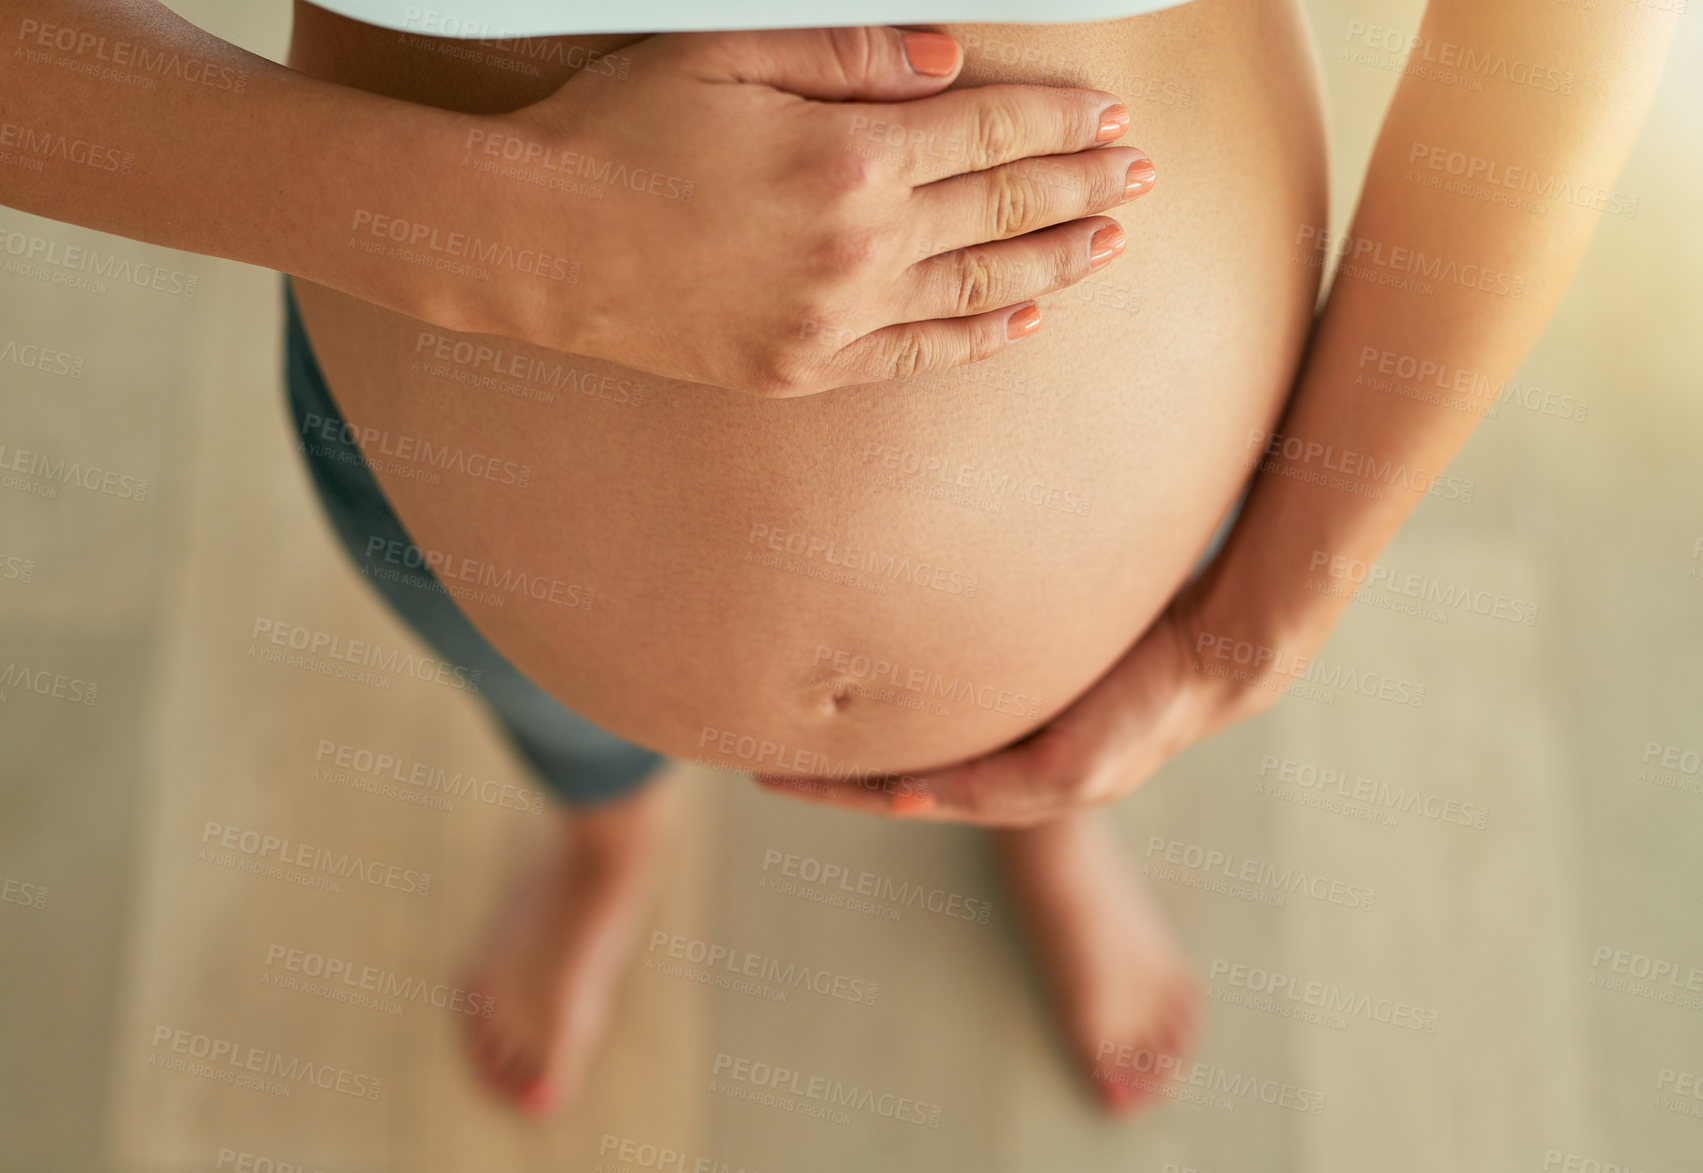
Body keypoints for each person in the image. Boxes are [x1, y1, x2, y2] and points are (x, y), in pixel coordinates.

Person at [1, 0, 1676, 1121]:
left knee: (1090, 728)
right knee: (557, 727)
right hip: (448, 498)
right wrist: (528, 235)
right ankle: (606, 830)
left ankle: (1054, 819)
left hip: (1173, 510)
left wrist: (1251, 631)